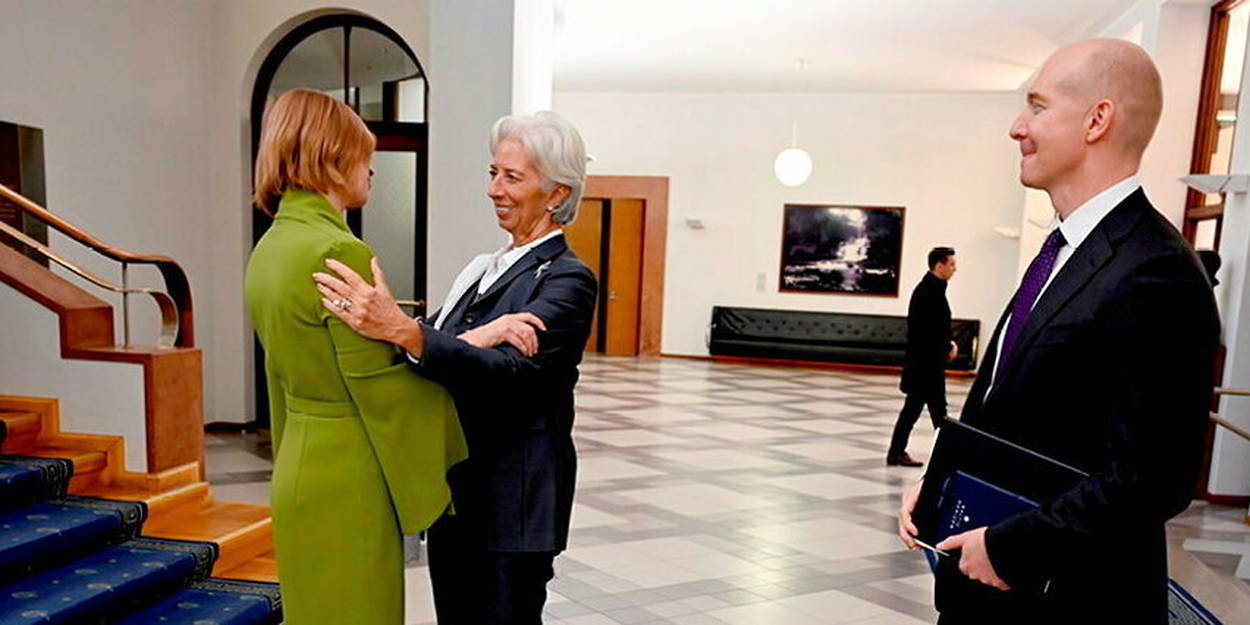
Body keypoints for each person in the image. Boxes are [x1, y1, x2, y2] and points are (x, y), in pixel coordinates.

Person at [897, 39, 1219, 624]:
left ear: (1098, 119)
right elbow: (1008, 403)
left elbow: (1154, 478)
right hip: (992, 589)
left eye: (1038, 107)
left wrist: (1009, 547)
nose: (1018, 127)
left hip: (1067, 598)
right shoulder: (1067, 249)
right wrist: (940, 482)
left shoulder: (1156, 269)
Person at [314, 111, 597, 624]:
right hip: (457, 494)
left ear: (557, 194)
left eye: (512, 177)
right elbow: (436, 357)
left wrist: (405, 330)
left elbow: (511, 376)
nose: (494, 189)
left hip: (514, 506)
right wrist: (433, 335)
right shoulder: (483, 268)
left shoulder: (569, 280)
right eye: (493, 173)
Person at [244, 89, 468, 625]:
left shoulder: (270, 248)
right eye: (365, 156)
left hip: (299, 463)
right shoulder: (339, 251)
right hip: (351, 474)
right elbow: (379, 384)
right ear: (333, 157)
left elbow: (277, 374)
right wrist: (465, 358)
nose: (372, 171)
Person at [887, 246, 958, 467]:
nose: (955, 269)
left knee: (916, 410)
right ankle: (947, 457)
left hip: (926, 365)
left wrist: (948, 344)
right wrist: (946, 348)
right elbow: (925, 332)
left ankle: (897, 452)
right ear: (939, 266)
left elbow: (937, 327)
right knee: (937, 412)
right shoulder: (928, 292)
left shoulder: (933, 289)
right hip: (926, 366)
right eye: (952, 264)